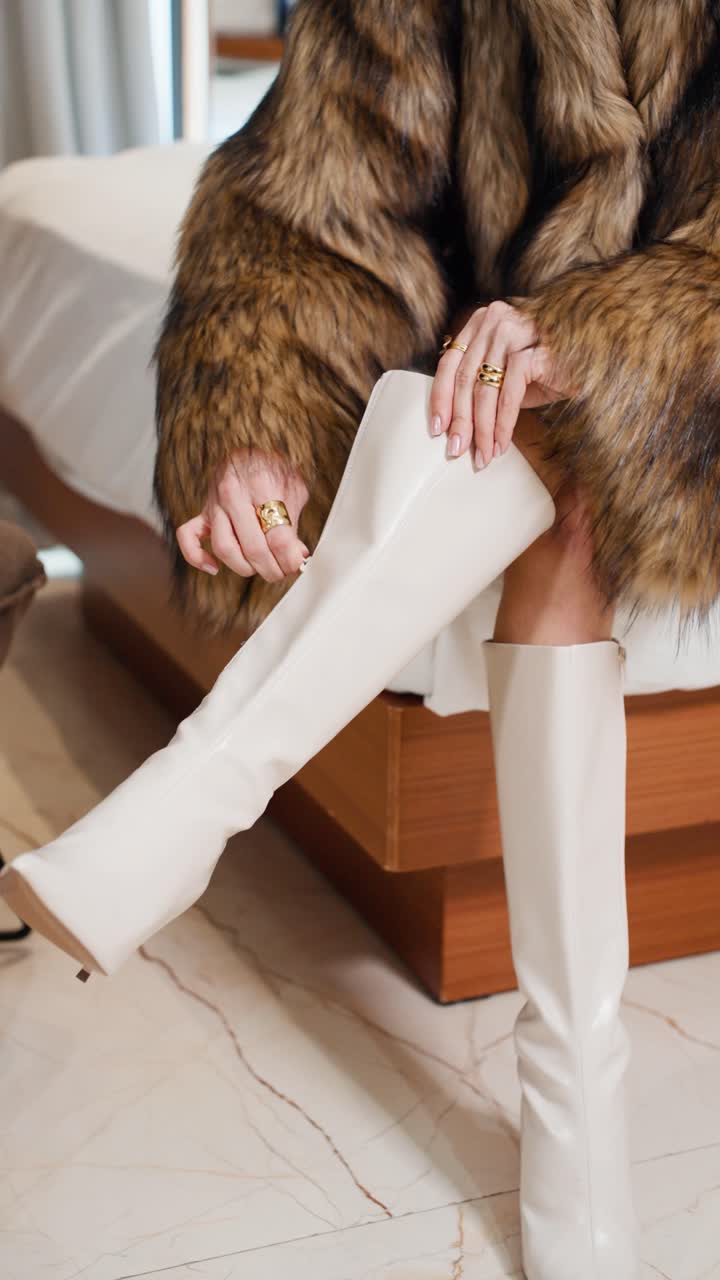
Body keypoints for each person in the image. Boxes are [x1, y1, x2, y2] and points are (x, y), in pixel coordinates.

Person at [3, 4, 720, 1277]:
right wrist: (259, 421)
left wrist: (607, 336)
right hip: (511, 381)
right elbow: (295, 219)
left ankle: (188, 797)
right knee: (504, 422)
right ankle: (578, 1108)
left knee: (564, 431)